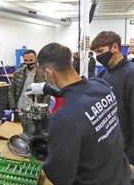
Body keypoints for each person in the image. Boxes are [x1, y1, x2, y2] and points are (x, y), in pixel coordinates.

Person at [36, 42, 131, 184]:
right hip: (120, 176)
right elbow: (79, 93)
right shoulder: (101, 85)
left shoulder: (64, 118)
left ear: (49, 73)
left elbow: (60, 176)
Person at [91, 31, 134, 173]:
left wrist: (131, 156)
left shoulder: (130, 74)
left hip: (126, 151)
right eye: (95, 53)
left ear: (114, 47)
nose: (98, 57)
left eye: (100, 51)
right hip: (110, 146)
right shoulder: (105, 73)